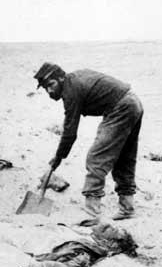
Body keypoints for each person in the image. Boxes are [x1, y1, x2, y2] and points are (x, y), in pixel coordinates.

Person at [33, 63, 144, 221]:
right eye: (46, 88)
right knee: (124, 157)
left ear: (61, 78)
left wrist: (58, 157)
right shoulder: (74, 81)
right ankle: (127, 208)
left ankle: (91, 214)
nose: (50, 91)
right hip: (133, 102)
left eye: (51, 84)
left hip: (121, 107)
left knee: (96, 158)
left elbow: (70, 132)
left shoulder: (70, 90)